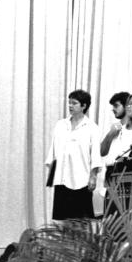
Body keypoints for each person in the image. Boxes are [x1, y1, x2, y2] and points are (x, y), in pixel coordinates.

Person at [46, 89, 102, 220]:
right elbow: (53, 150)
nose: (70, 106)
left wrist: (93, 177)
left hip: (81, 179)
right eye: (69, 102)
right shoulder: (60, 125)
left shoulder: (92, 127)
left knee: (81, 220)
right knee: (63, 220)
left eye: (74, 103)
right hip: (62, 177)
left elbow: (95, 155)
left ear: (84, 106)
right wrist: (52, 174)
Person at [99, 91, 131, 159]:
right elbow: (101, 153)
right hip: (111, 165)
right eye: (113, 106)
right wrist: (110, 134)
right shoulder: (112, 127)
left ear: (126, 106)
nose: (113, 109)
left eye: (116, 106)